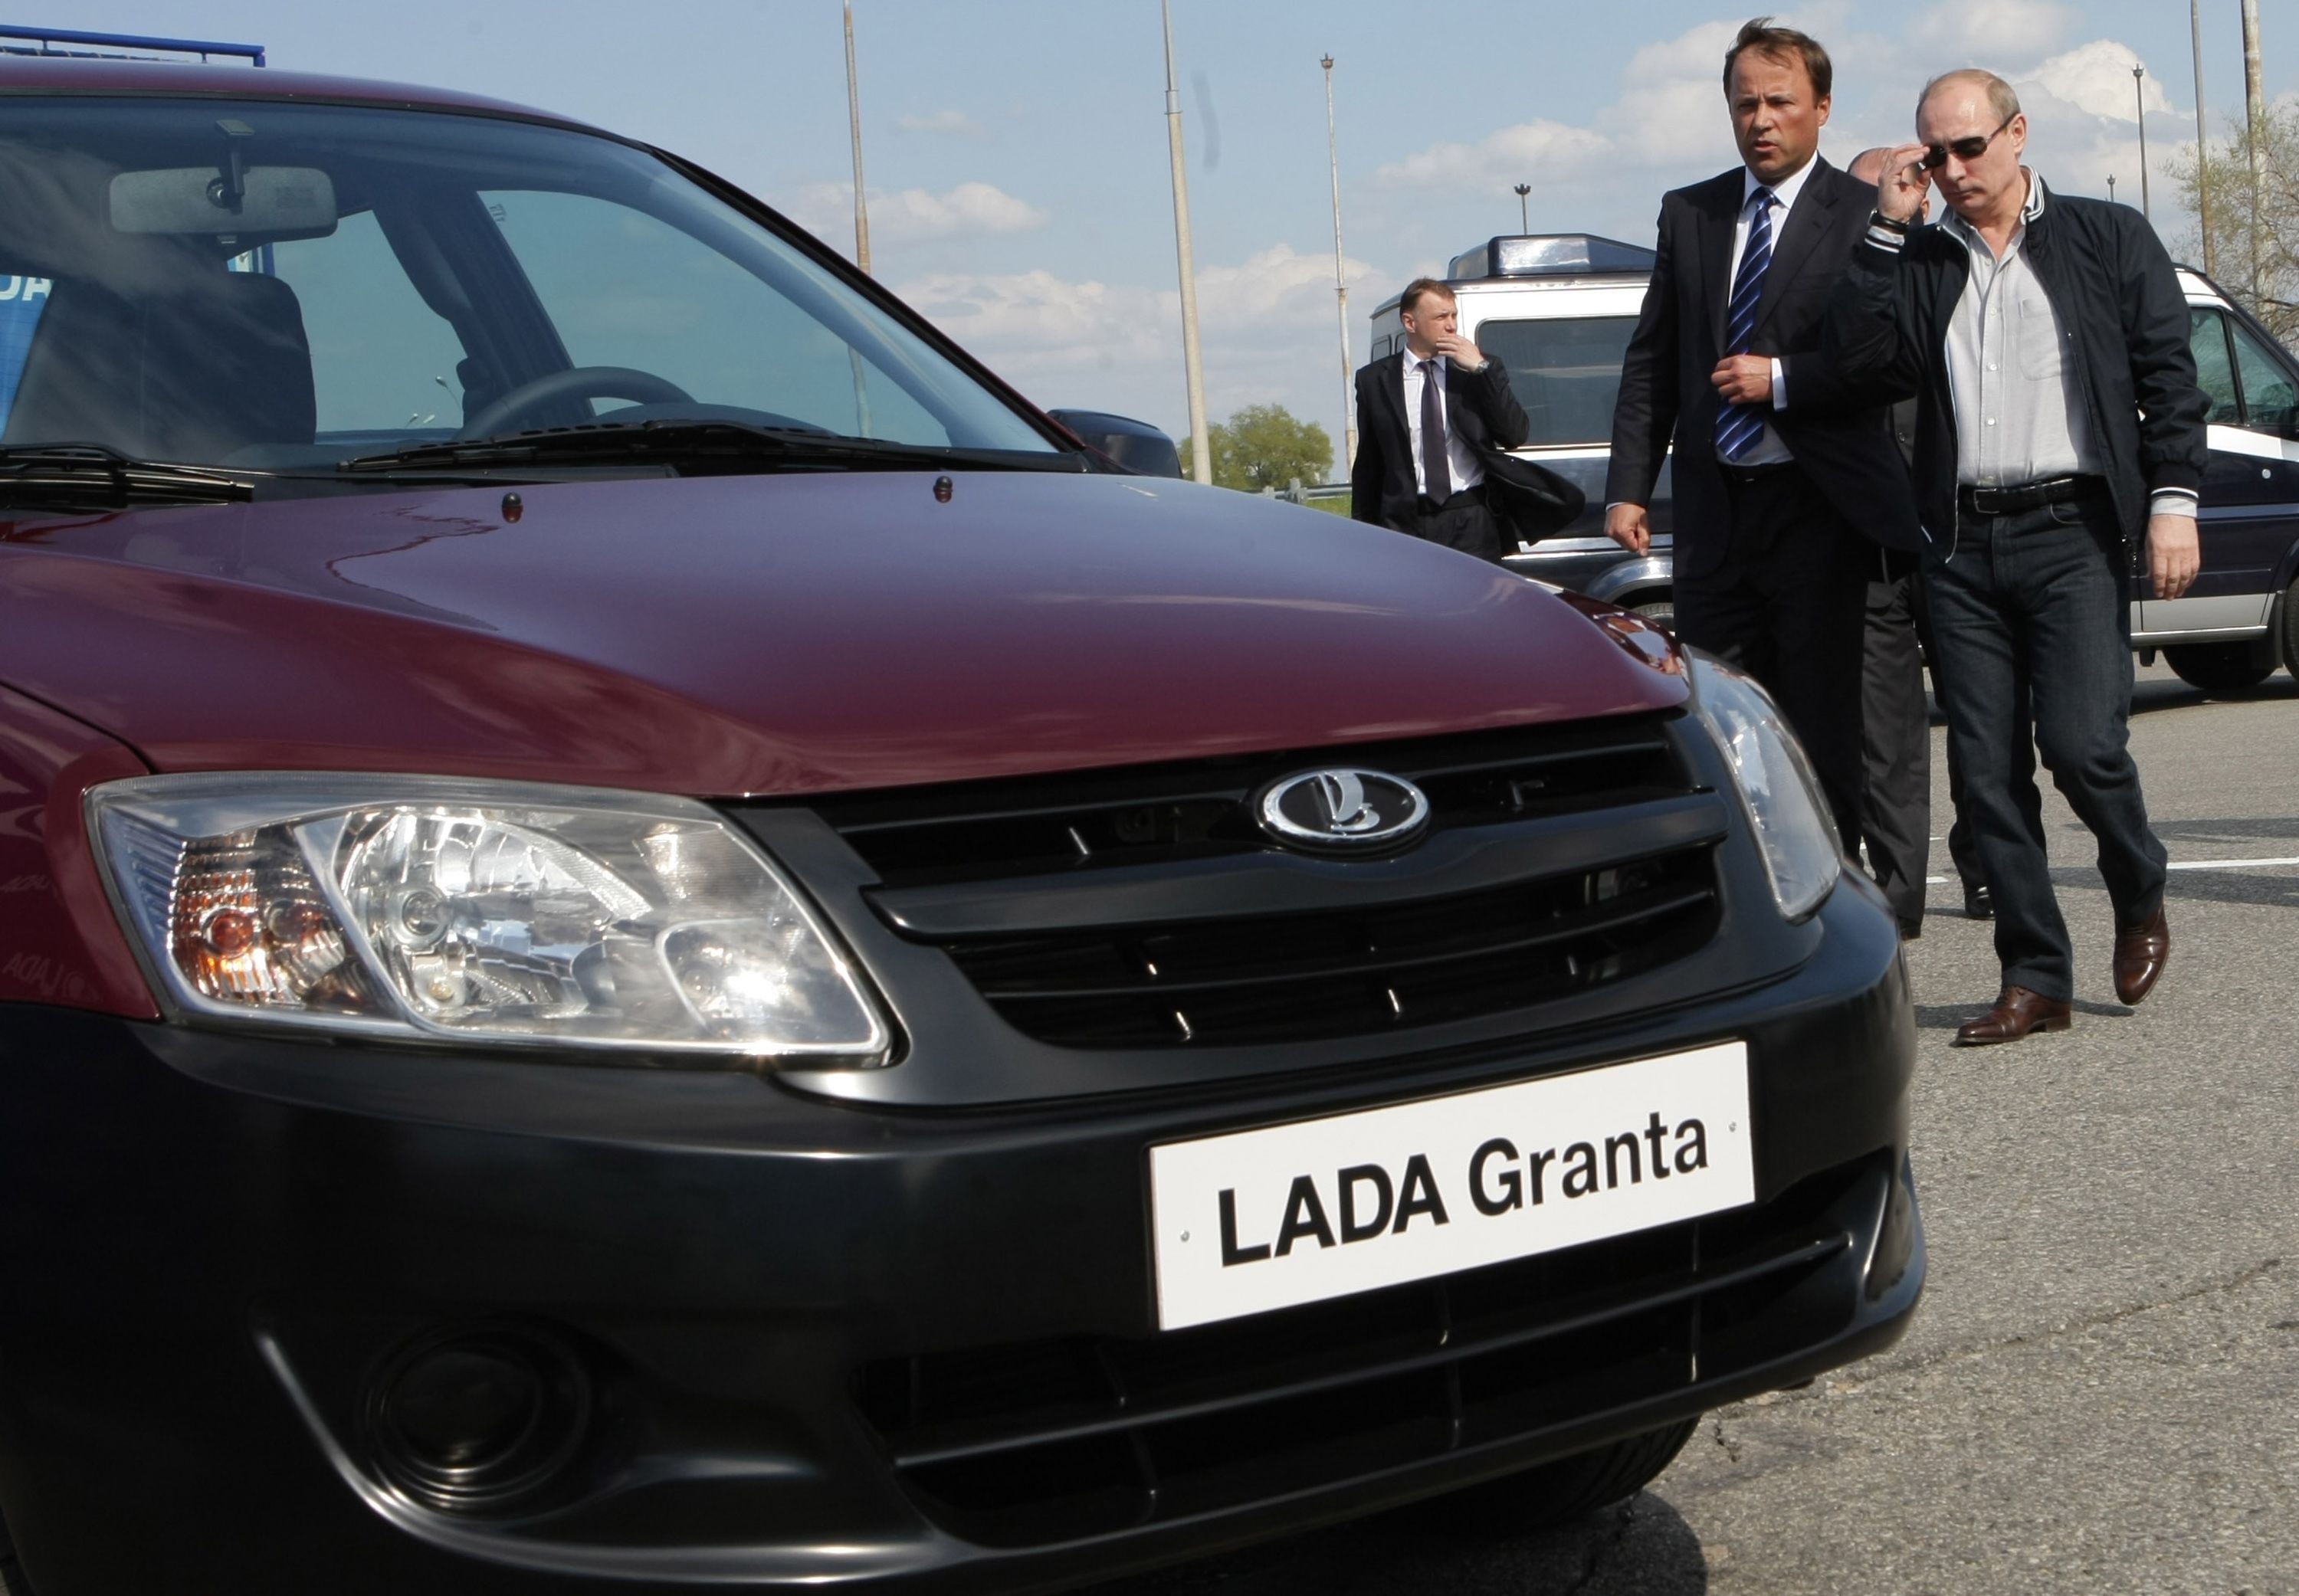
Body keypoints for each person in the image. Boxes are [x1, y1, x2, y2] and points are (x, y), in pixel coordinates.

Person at [1827, 69, 2206, 1044]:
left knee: (2082, 746)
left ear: (2017, 134)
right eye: (1934, 154)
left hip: (2072, 529)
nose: (1953, 170)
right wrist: (1884, 230)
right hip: (1959, 542)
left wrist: (2173, 501)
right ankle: (2035, 977)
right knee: (1987, 774)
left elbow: (2170, 376)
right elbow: (1857, 359)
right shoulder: (1920, 259)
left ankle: (2138, 881)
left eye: (1969, 147)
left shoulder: (2105, 237)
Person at [1606, 19, 1920, 850]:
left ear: (1822, 108)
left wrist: (1781, 379)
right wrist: (1628, 487)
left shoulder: (1864, 215)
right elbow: (1654, 356)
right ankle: (1755, 888)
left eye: (1780, 102)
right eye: (1745, 104)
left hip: (1821, 512)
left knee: (1825, 727)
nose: (1761, 120)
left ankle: (1838, 887)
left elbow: (1886, 364)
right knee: (1724, 722)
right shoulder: (1691, 213)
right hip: (1717, 515)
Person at [1352, 279, 1582, 561]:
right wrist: (1362, 534)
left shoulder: (1478, 371)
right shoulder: (1374, 380)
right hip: (1405, 523)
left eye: (1454, 315)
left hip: (1471, 518)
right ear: (1410, 323)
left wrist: (1482, 370)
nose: (1451, 326)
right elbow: (1368, 465)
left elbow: (1514, 435)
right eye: (1441, 317)